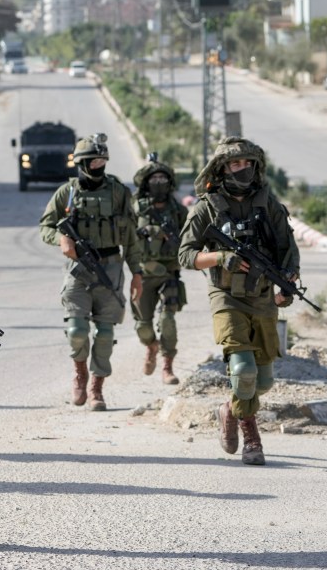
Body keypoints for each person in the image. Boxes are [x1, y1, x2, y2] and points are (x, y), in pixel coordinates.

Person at [178, 136, 300, 466]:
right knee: (244, 371)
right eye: (235, 164)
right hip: (227, 296)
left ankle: (229, 410)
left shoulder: (268, 203)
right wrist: (220, 257)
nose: (242, 170)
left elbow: (288, 250)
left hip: (262, 297)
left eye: (248, 164)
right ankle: (252, 438)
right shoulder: (207, 207)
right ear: (222, 169)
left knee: (264, 381)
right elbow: (185, 255)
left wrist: (288, 282)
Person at [38, 132, 143, 410]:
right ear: (81, 163)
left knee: (105, 334)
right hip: (78, 269)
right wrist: (60, 239)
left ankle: (97, 387)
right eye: (93, 161)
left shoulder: (119, 192)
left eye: (102, 161)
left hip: (110, 267)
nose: (99, 166)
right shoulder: (67, 193)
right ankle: (79, 373)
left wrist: (138, 274)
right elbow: (45, 227)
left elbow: (131, 237)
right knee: (77, 330)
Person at [131, 155, 190, 385]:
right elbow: (125, 235)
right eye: (153, 178)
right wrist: (152, 232)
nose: (158, 182)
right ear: (146, 183)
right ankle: (151, 346)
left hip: (169, 273)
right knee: (143, 327)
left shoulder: (177, 211)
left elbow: (190, 236)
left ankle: (167, 366)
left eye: (162, 178)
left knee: (168, 320)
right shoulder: (136, 209)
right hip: (143, 274)